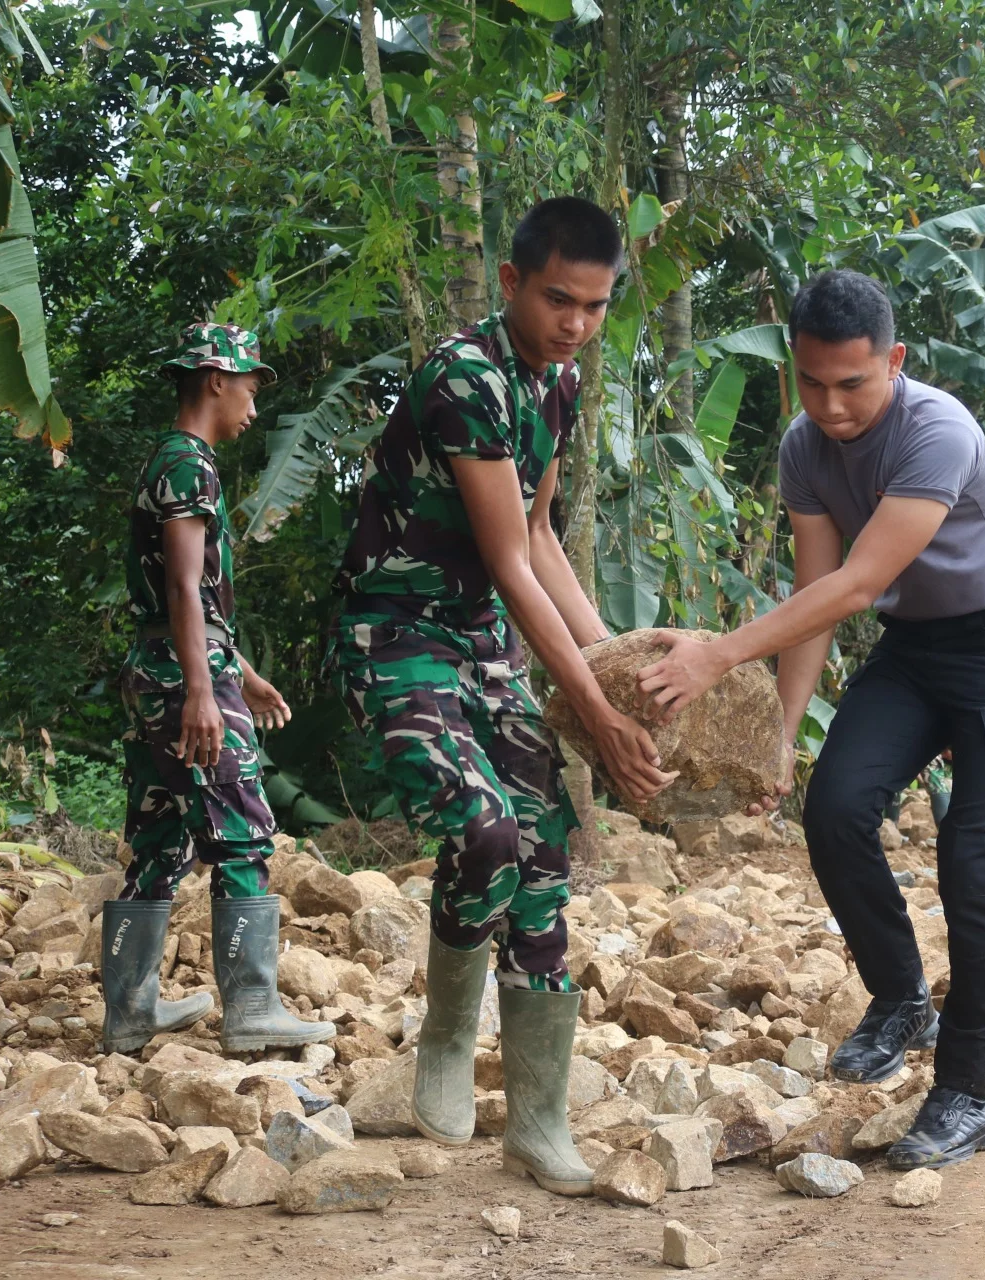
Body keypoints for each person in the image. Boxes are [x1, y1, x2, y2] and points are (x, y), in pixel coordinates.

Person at [634, 269, 985, 1170]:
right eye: (812, 383)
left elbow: (861, 581)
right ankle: (901, 996)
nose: (830, 407)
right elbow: (816, 595)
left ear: (894, 362)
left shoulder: (936, 429)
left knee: (973, 860)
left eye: (853, 384)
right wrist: (780, 737)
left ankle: (967, 1089)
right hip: (912, 652)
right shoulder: (804, 447)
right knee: (832, 808)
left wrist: (716, 654)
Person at [327, 198, 674, 1195]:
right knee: (480, 828)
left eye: (597, 307)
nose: (577, 323)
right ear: (514, 281)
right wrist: (600, 717)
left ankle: (536, 1119)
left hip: (479, 647)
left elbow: (544, 536)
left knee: (545, 852)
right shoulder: (463, 379)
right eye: (560, 299)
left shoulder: (556, 384)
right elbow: (508, 561)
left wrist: (615, 659)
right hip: (396, 638)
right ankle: (443, 1037)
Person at [105, 324, 337, 1057]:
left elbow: (192, 599)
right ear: (215, 379)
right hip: (182, 679)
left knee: (161, 834)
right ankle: (252, 1008)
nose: (253, 406)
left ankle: (130, 1012)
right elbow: (180, 582)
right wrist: (204, 692)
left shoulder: (179, 461)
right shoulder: (188, 463)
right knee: (241, 827)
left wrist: (242, 672)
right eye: (249, 387)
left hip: (166, 668)